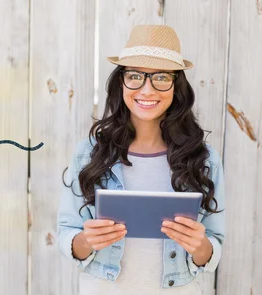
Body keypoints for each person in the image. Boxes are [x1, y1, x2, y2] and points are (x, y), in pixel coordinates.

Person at [57, 25, 226, 294]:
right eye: (135, 76)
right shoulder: (88, 154)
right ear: (120, 81)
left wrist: (200, 245)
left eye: (161, 77)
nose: (147, 90)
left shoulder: (204, 159)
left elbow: (212, 247)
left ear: (176, 85)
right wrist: (87, 240)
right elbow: (67, 235)